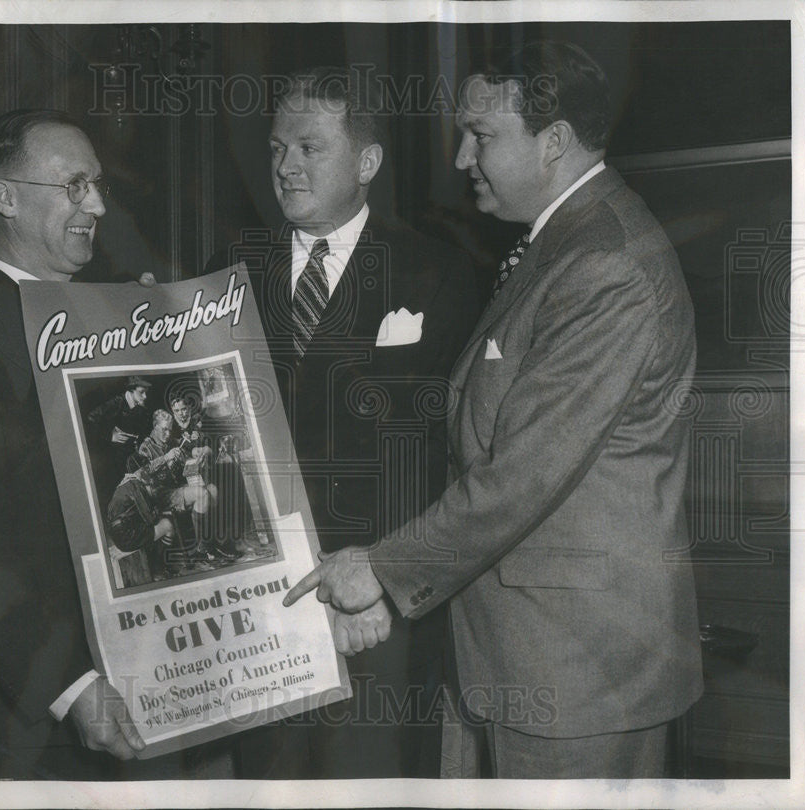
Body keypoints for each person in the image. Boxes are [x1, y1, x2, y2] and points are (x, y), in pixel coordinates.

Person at [285, 42, 704, 779]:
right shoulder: (561, 243)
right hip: (517, 657)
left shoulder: (604, 264)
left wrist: (382, 567)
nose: (458, 159)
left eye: (481, 136)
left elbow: (523, 475)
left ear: (554, 142)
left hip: (578, 675)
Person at [206, 66, 480, 778]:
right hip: (262, 611)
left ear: (366, 162)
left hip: (379, 611)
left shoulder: (444, 274)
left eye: (307, 147)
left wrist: (386, 580)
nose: (285, 167)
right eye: (275, 148)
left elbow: (454, 453)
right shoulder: (226, 273)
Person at [0, 109, 183, 778]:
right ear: (7, 198)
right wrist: (75, 687)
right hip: (19, 723)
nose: (100, 206)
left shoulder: (122, 322)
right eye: (76, 185)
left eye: (100, 185)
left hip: (151, 687)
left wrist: (167, 354)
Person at [129, 409, 222, 564]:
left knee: (212, 490)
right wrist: (166, 457)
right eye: (164, 429)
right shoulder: (145, 447)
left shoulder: (171, 441)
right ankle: (204, 549)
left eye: (169, 430)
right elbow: (141, 475)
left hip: (177, 489)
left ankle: (210, 543)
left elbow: (187, 457)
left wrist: (198, 454)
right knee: (202, 494)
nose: (167, 434)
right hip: (160, 495)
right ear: (155, 426)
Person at [106, 467, 186, 581]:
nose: (154, 491)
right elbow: (150, 519)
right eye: (154, 488)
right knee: (168, 526)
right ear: (149, 484)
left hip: (117, 534)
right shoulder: (140, 491)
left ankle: (156, 563)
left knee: (155, 526)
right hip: (126, 538)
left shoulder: (129, 483)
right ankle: (159, 568)